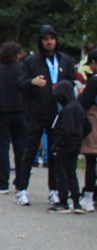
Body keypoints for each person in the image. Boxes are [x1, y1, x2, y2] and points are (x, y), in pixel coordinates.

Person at [16, 24, 75, 206]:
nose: (49, 42)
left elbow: (72, 81)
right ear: (40, 41)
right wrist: (31, 82)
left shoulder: (64, 60)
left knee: (55, 153)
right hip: (36, 112)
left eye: (52, 38)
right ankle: (21, 189)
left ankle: (54, 190)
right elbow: (19, 84)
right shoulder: (31, 61)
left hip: (57, 113)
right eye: (45, 39)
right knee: (30, 151)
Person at [0, 42, 27, 197]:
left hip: (0, 111)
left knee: (2, 147)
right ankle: (21, 182)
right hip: (20, 110)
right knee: (20, 147)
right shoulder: (23, 69)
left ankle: (2, 182)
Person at [47, 80, 90, 213]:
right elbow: (88, 126)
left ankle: (63, 202)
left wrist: (58, 143)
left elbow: (66, 130)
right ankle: (76, 202)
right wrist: (79, 137)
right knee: (71, 172)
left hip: (65, 144)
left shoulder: (67, 110)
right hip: (75, 144)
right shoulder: (79, 107)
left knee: (61, 172)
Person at [77, 48, 97, 212]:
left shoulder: (94, 80)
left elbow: (84, 102)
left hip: (93, 119)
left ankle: (88, 197)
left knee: (91, 159)